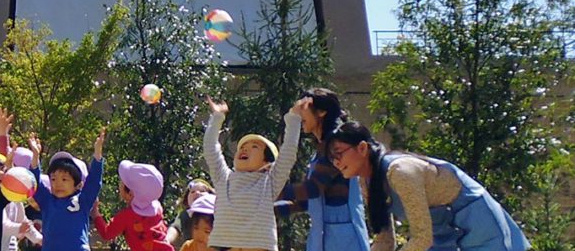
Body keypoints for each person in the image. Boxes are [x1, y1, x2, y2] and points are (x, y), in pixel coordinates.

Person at [327, 122, 529, 251]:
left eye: (339, 153)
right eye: (331, 158)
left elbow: (422, 238)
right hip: (444, 234)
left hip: (477, 223)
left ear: (362, 148)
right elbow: (385, 239)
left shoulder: (399, 172)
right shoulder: (366, 180)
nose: (336, 162)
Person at [202, 97, 302, 251]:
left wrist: (294, 118)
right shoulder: (224, 178)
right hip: (223, 246)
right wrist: (217, 117)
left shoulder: (270, 182)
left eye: (254, 147)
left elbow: (288, 153)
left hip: (259, 247)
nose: (244, 149)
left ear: (267, 163)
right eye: (241, 147)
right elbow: (210, 149)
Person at [275, 89, 369, 251]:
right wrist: (263, 207)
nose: (296, 111)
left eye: (302, 106)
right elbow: (305, 202)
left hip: (343, 238)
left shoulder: (336, 143)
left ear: (322, 112)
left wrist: (268, 190)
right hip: (325, 236)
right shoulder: (321, 150)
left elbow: (313, 189)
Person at [29, 128, 107, 251]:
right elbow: (34, 181)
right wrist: (35, 156)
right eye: (53, 179)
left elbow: (94, 182)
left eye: (64, 179)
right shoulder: (47, 201)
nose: (58, 184)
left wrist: (97, 155)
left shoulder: (82, 200)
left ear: (77, 184)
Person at [90, 160, 172, 251]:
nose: (120, 183)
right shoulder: (157, 208)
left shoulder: (127, 216)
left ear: (130, 194)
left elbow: (107, 233)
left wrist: (95, 212)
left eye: (122, 182)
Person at [165, 179, 213, 248]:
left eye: (202, 191)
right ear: (186, 200)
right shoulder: (184, 215)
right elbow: (175, 228)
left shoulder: (217, 215)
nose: (196, 193)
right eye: (192, 191)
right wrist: (167, 239)